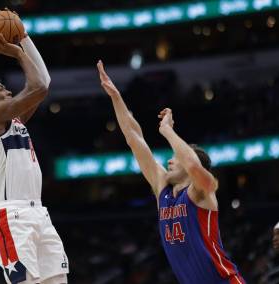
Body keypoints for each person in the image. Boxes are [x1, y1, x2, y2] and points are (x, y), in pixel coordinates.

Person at [97, 60, 244, 283]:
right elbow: (134, 139)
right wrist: (116, 97)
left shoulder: (204, 192)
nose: (170, 161)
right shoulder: (162, 189)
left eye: (176, 157)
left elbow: (193, 165)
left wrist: (167, 130)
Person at [0, 32, 68, 284]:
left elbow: (44, 81)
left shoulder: (15, 121)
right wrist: (18, 54)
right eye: (0, 89)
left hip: (40, 213)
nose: (8, 90)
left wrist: (24, 38)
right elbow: (39, 87)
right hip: (12, 216)